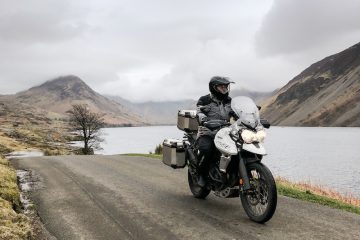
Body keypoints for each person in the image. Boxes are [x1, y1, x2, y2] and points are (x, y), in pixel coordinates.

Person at [196, 76, 234, 187]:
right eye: (221, 86)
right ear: (214, 87)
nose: (224, 89)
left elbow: (236, 112)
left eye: (226, 86)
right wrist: (203, 119)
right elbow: (199, 112)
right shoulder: (204, 100)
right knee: (206, 149)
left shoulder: (229, 101)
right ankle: (201, 174)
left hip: (225, 132)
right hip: (207, 132)